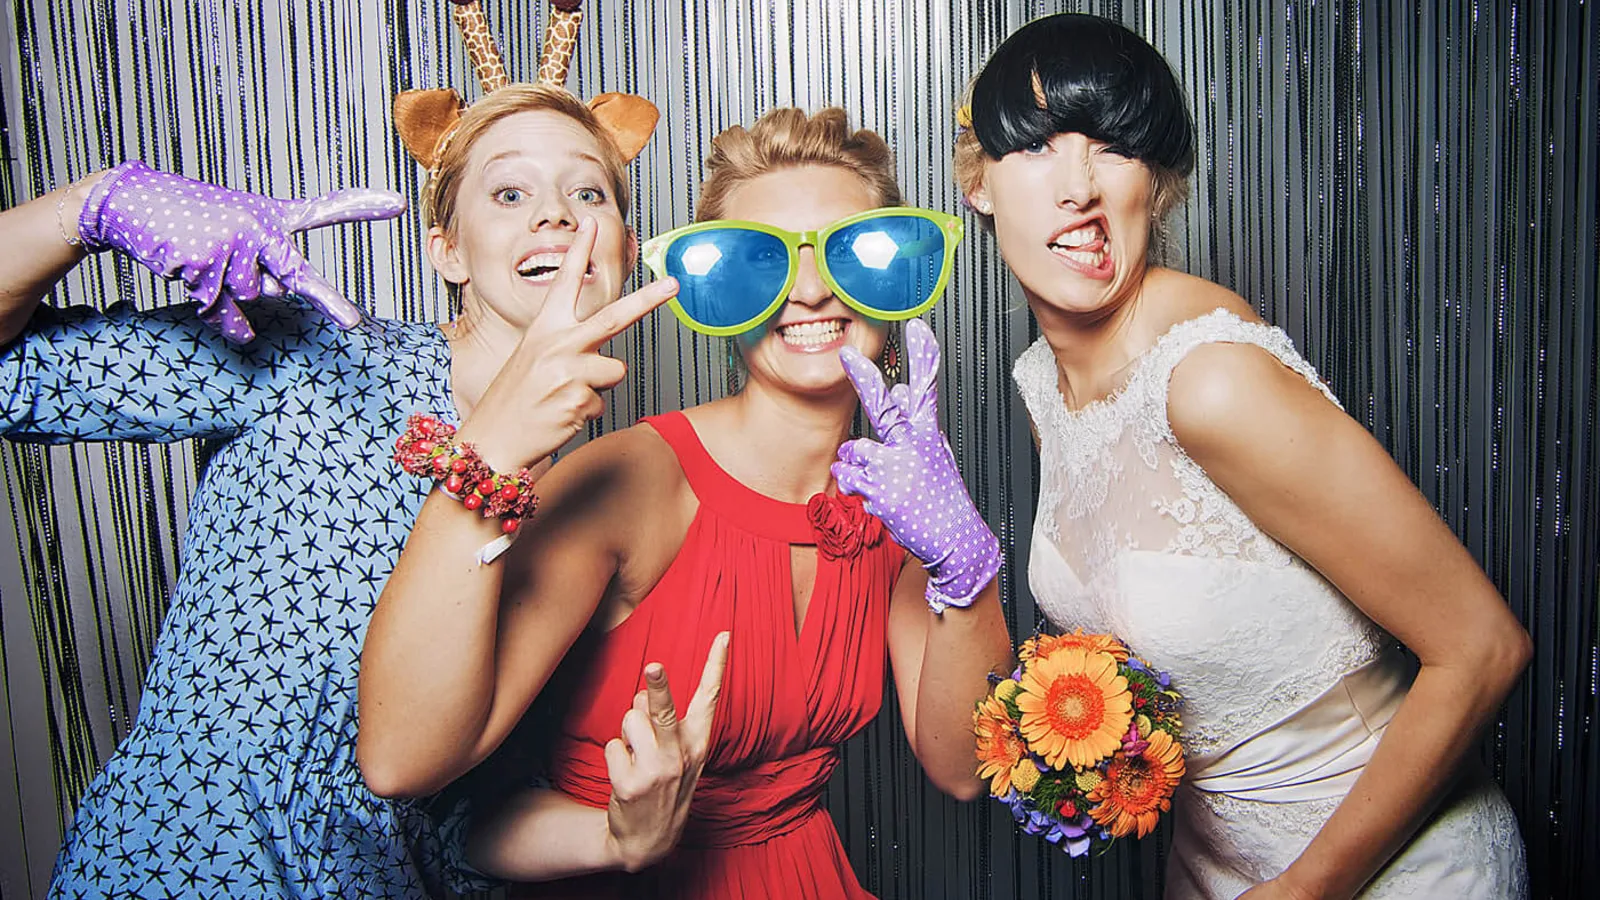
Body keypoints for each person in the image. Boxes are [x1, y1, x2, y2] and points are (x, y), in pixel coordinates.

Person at [3, 2, 673, 894]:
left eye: (589, 193)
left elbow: (460, 811)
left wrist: (618, 836)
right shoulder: (314, 354)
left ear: (624, 247)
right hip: (174, 867)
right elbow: (16, 381)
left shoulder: (591, 496)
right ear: (448, 250)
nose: (557, 215)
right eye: (511, 194)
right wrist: (93, 206)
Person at [359, 106, 1014, 899]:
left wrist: (966, 567)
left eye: (853, 254)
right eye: (760, 262)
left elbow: (961, 769)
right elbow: (401, 761)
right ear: (713, 287)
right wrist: (616, 835)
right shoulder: (633, 484)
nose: (810, 292)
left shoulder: (909, 495)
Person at [952, 13, 1531, 900]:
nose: (1078, 188)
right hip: (1211, 871)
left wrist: (1303, 892)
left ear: (1161, 185)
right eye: (1036, 148)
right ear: (978, 181)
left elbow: (1484, 647)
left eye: (1114, 147)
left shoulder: (1211, 382)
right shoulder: (1042, 386)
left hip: (1397, 874)